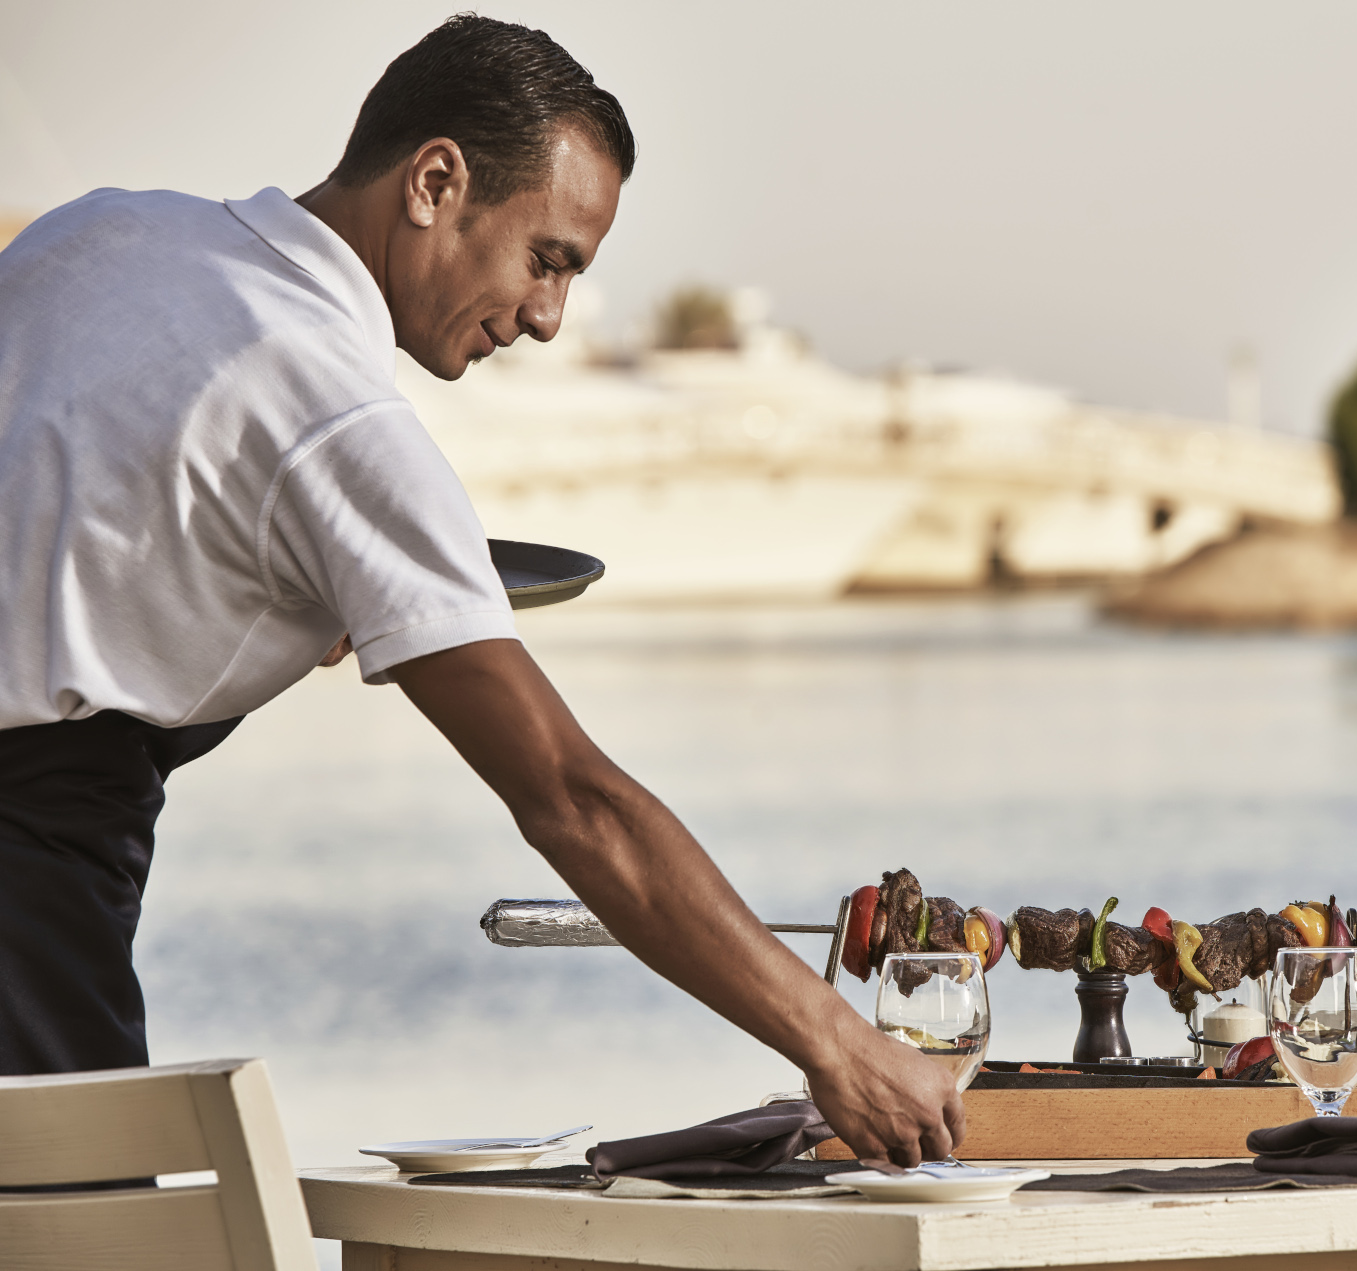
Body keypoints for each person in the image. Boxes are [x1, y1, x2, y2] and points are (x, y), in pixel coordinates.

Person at [0, 14, 962, 1168]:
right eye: (547, 258)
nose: (549, 315)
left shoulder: (103, 230)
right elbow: (572, 797)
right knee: (88, 1235)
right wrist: (835, 1038)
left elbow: (89, 532)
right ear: (436, 181)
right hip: (26, 878)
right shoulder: (336, 413)